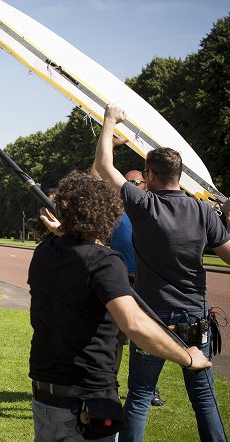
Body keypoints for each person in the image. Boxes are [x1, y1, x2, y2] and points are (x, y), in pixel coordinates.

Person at [29, 171, 210, 442]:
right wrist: (188, 357)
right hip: (88, 401)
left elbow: (74, 248)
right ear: (106, 213)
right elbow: (134, 325)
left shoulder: (44, 252)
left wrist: (64, 231)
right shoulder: (105, 261)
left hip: (46, 396)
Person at [94, 103, 230, 441]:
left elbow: (102, 165)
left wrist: (110, 121)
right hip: (195, 317)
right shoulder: (203, 211)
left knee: (139, 396)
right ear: (180, 176)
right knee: (204, 399)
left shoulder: (143, 205)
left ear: (151, 176)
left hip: (154, 316)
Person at [107, 170, 164, 407]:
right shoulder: (114, 211)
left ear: (146, 185)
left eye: (134, 182)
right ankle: (111, 386)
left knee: (145, 339)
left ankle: (149, 388)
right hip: (119, 282)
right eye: (126, 181)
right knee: (115, 339)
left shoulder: (150, 209)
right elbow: (95, 177)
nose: (128, 185)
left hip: (144, 283)